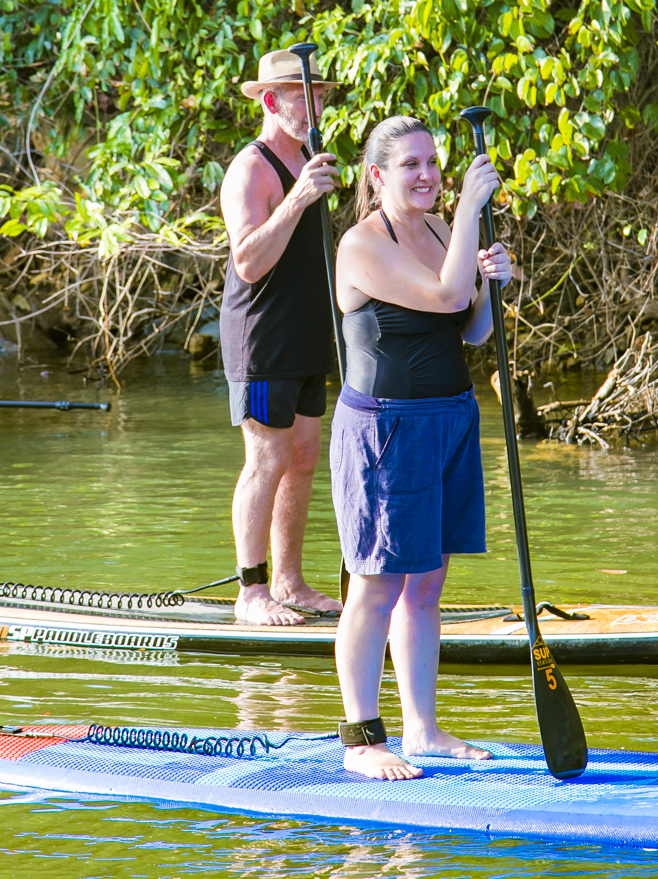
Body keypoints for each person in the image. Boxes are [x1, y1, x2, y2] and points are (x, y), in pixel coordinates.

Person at [328, 115, 511, 780]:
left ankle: (423, 730)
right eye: (411, 164)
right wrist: (469, 214)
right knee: (377, 584)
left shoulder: (438, 229)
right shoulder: (360, 245)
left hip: (450, 416)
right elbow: (442, 292)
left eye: (433, 161)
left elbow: (470, 327)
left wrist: (493, 282)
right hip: (386, 428)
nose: (429, 174)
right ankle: (360, 741)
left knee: (426, 584)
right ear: (376, 176)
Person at [218, 49, 347, 626]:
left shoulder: (312, 161)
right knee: (266, 456)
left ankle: (291, 583)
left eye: (320, 95)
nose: (317, 105)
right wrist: (297, 198)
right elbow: (248, 261)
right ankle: (251, 591)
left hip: (308, 332)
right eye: (305, 96)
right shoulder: (252, 167)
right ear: (271, 102)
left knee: (303, 457)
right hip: (262, 335)